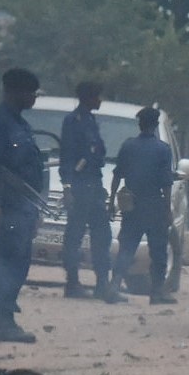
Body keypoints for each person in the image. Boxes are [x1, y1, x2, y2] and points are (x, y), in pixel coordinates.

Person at [0, 68, 47, 343]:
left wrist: (35, 210)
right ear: (15, 92)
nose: (33, 98)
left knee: (19, 262)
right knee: (6, 263)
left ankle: (5, 320)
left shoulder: (20, 124)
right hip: (5, 207)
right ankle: (1, 322)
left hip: (23, 206)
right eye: (30, 93)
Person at [111, 106, 178, 305]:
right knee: (158, 251)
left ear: (140, 125)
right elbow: (166, 184)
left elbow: (117, 175)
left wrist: (112, 202)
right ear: (156, 125)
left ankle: (114, 286)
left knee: (127, 248)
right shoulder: (162, 150)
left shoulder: (128, 146)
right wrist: (167, 210)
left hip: (131, 205)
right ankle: (157, 292)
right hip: (154, 206)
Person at [58, 80, 114, 301]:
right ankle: (72, 283)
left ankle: (102, 284)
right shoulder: (73, 121)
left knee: (103, 234)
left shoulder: (90, 120)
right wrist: (67, 187)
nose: (99, 100)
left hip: (94, 184)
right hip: (80, 186)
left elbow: (98, 152)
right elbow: (67, 157)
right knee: (75, 235)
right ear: (88, 98)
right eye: (96, 96)